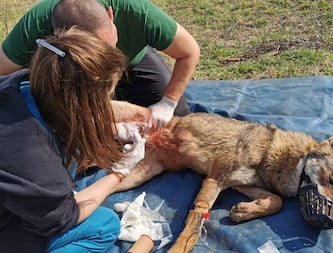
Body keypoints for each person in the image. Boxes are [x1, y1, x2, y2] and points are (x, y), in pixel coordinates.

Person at [0, 27, 145, 253]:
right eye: (104, 101)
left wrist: (110, 129)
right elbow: (65, 218)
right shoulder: (33, 158)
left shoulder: (17, 84)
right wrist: (120, 171)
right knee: (105, 225)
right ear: (82, 106)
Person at [0, 0, 200, 128]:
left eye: (110, 45)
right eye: (100, 53)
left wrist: (168, 102)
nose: (109, 56)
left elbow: (189, 51)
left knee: (175, 122)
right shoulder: (34, 26)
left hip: (134, 61)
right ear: (62, 38)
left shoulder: (139, 12)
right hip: (75, 75)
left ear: (110, 15)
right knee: (78, 138)